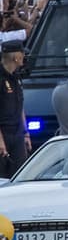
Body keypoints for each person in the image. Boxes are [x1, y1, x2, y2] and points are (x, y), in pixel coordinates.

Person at [0, 40, 29, 178]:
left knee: (20, 175)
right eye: (22, 53)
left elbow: (20, 106)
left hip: (17, 133)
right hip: (3, 133)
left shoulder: (17, 77)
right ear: (16, 57)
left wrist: (25, 132)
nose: (24, 56)